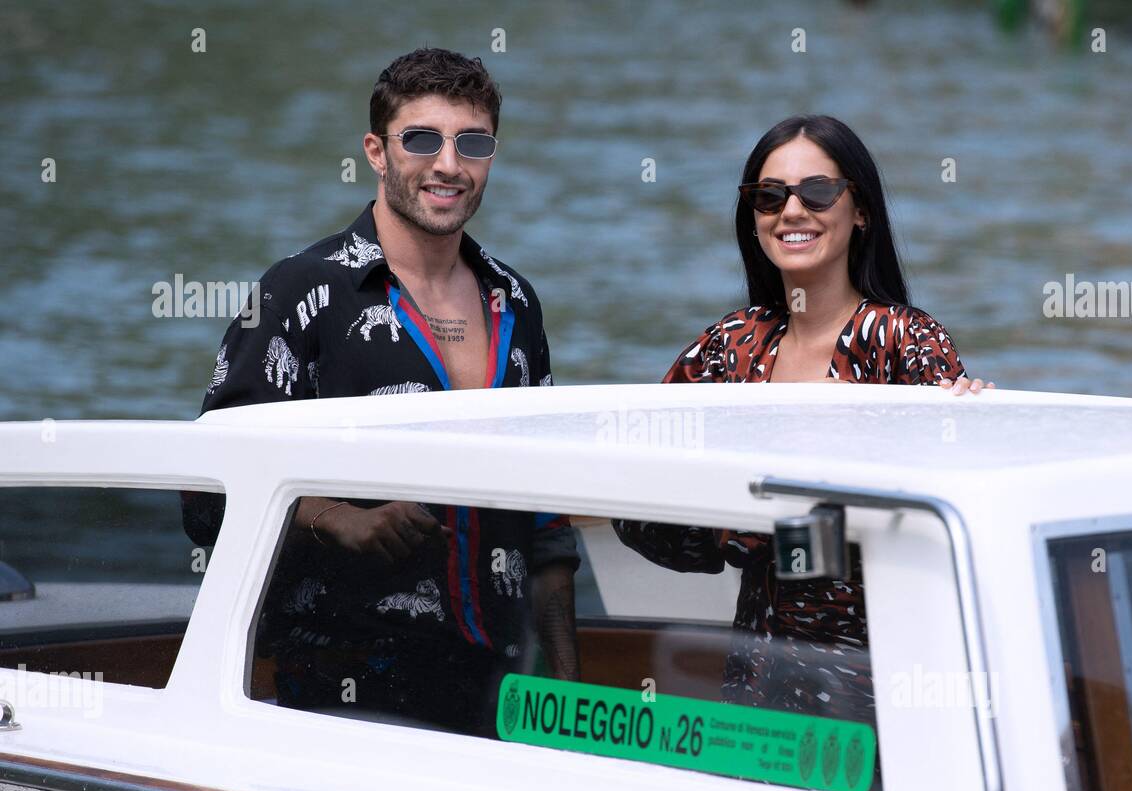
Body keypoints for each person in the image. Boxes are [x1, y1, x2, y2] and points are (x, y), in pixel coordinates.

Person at [183, 48, 579, 735]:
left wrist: (569, 696)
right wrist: (338, 518)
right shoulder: (300, 293)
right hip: (344, 692)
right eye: (421, 139)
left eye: (473, 142)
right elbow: (204, 494)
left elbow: (547, 528)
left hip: (502, 688)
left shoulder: (514, 300)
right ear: (376, 150)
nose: (449, 164)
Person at [613, 114, 992, 737]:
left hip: (881, 692)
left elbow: (939, 526)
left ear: (860, 210)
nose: (792, 211)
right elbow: (631, 500)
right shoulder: (730, 347)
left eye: (816, 192)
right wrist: (733, 536)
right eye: (769, 196)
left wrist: (977, 425)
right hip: (757, 679)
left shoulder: (903, 341)